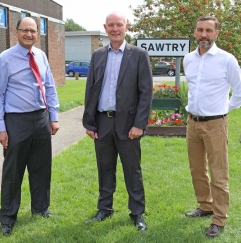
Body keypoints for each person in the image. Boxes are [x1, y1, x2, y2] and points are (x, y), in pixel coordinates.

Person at [82, 11, 153, 231]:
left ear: (126, 27)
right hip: (102, 123)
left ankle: (137, 213)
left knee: (132, 170)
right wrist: (89, 123)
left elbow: (145, 93)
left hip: (128, 125)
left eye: (119, 25)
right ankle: (104, 209)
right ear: (105, 28)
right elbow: (91, 90)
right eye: (111, 25)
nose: (115, 29)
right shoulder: (98, 55)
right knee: (104, 168)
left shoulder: (139, 54)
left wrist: (139, 124)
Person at [0, 17, 60, 236]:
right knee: (13, 171)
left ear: (37, 33)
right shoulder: (5, 59)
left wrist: (53, 116)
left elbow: (49, 85)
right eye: (25, 31)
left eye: (33, 31)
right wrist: (0, 127)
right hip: (16, 121)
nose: (29, 34)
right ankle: (8, 217)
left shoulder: (41, 55)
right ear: (16, 32)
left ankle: (41, 209)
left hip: (40, 117)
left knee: (41, 167)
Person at [183, 15, 241, 237]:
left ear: (216, 33)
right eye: (200, 29)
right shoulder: (188, 59)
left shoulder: (226, 60)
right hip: (192, 124)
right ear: (194, 32)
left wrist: (222, 112)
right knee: (197, 170)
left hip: (215, 125)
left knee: (218, 174)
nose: (204, 34)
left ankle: (219, 219)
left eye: (208, 30)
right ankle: (205, 205)